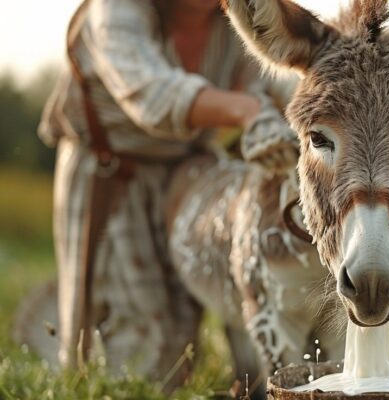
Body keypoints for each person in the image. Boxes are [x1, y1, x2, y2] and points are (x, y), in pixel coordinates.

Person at [20, 0, 297, 389]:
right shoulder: (115, 11)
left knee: (177, 334)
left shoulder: (243, 17)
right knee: (132, 340)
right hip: (111, 172)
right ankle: (88, 384)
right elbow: (152, 94)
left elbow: (287, 75)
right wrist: (250, 111)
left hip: (188, 171)